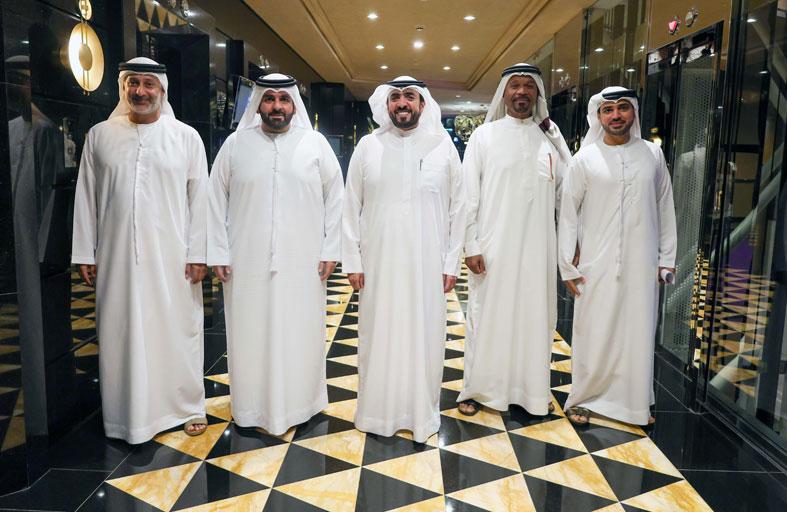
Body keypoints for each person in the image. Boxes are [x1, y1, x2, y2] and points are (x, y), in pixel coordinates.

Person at [71, 57, 209, 443]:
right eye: (134, 83)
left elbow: (201, 200)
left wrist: (199, 252)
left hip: (174, 258)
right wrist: (84, 252)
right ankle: (126, 417)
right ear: (123, 88)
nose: (141, 91)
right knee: (121, 332)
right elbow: (86, 197)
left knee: (177, 328)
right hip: (115, 258)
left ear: (162, 90)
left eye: (149, 84)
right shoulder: (100, 136)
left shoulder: (186, 137)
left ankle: (187, 406)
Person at [207, 74, 343, 434]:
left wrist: (331, 248)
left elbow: (337, 198)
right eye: (269, 99)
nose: (277, 106)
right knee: (248, 336)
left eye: (284, 99)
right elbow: (214, 199)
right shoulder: (235, 145)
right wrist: (218, 251)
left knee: (301, 333)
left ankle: (303, 404)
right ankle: (250, 409)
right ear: (258, 105)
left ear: (294, 105)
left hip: (304, 262)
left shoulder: (315, 144)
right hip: (245, 262)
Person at [342, 76, 465, 442]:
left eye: (409, 96)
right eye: (395, 97)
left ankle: (420, 414)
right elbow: (350, 206)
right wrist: (353, 261)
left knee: (425, 337)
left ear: (422, 104)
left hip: (428, 265)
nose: (402, 103)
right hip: (378, 264)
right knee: (377, 336)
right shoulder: (368, 146)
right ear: (387, 105)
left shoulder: (443, 146)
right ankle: (376, 413)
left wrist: (451, 263)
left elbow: (459, 208)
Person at [457, 63, 573, 417]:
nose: (521, 92)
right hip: (493, 248)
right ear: (504, 93)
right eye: (515, 86)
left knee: (535, 318)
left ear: (537, 93)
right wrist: (471, 244)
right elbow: (467, 196)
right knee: (487, 317)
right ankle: (477, 390)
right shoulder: (484, 136)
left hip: (538, 249)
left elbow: (567, 193)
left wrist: (557, 139)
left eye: (529, 86)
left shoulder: (549, 139)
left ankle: (532, 393)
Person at [558, 86, 677, 426]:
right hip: (595, 262)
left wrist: (666, 259)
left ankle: (633, 404)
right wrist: (566, 264)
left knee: (637, 332)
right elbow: (567, 214)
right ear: (598, 116)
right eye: (608, 110)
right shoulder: (585, 159)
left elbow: (665, 207)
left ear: (633, 112)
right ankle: (583, 398)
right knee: (592, 329)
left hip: (643, 263)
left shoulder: (652, 154)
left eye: (623, 108)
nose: (616, 115)